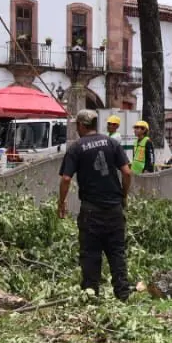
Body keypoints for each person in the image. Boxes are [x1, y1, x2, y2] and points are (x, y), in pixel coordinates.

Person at [58, 109, 133, 300]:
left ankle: (91, 294)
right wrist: (123, 196)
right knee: (117, 251)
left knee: (91, 253)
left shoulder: (76, 148)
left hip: (91, 210)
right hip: (114, 208)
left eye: (77, 125)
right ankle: (123, 294)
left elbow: (66, 178)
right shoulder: (112, 143)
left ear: (82, 125)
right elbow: (127, 172)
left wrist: (61, 203)